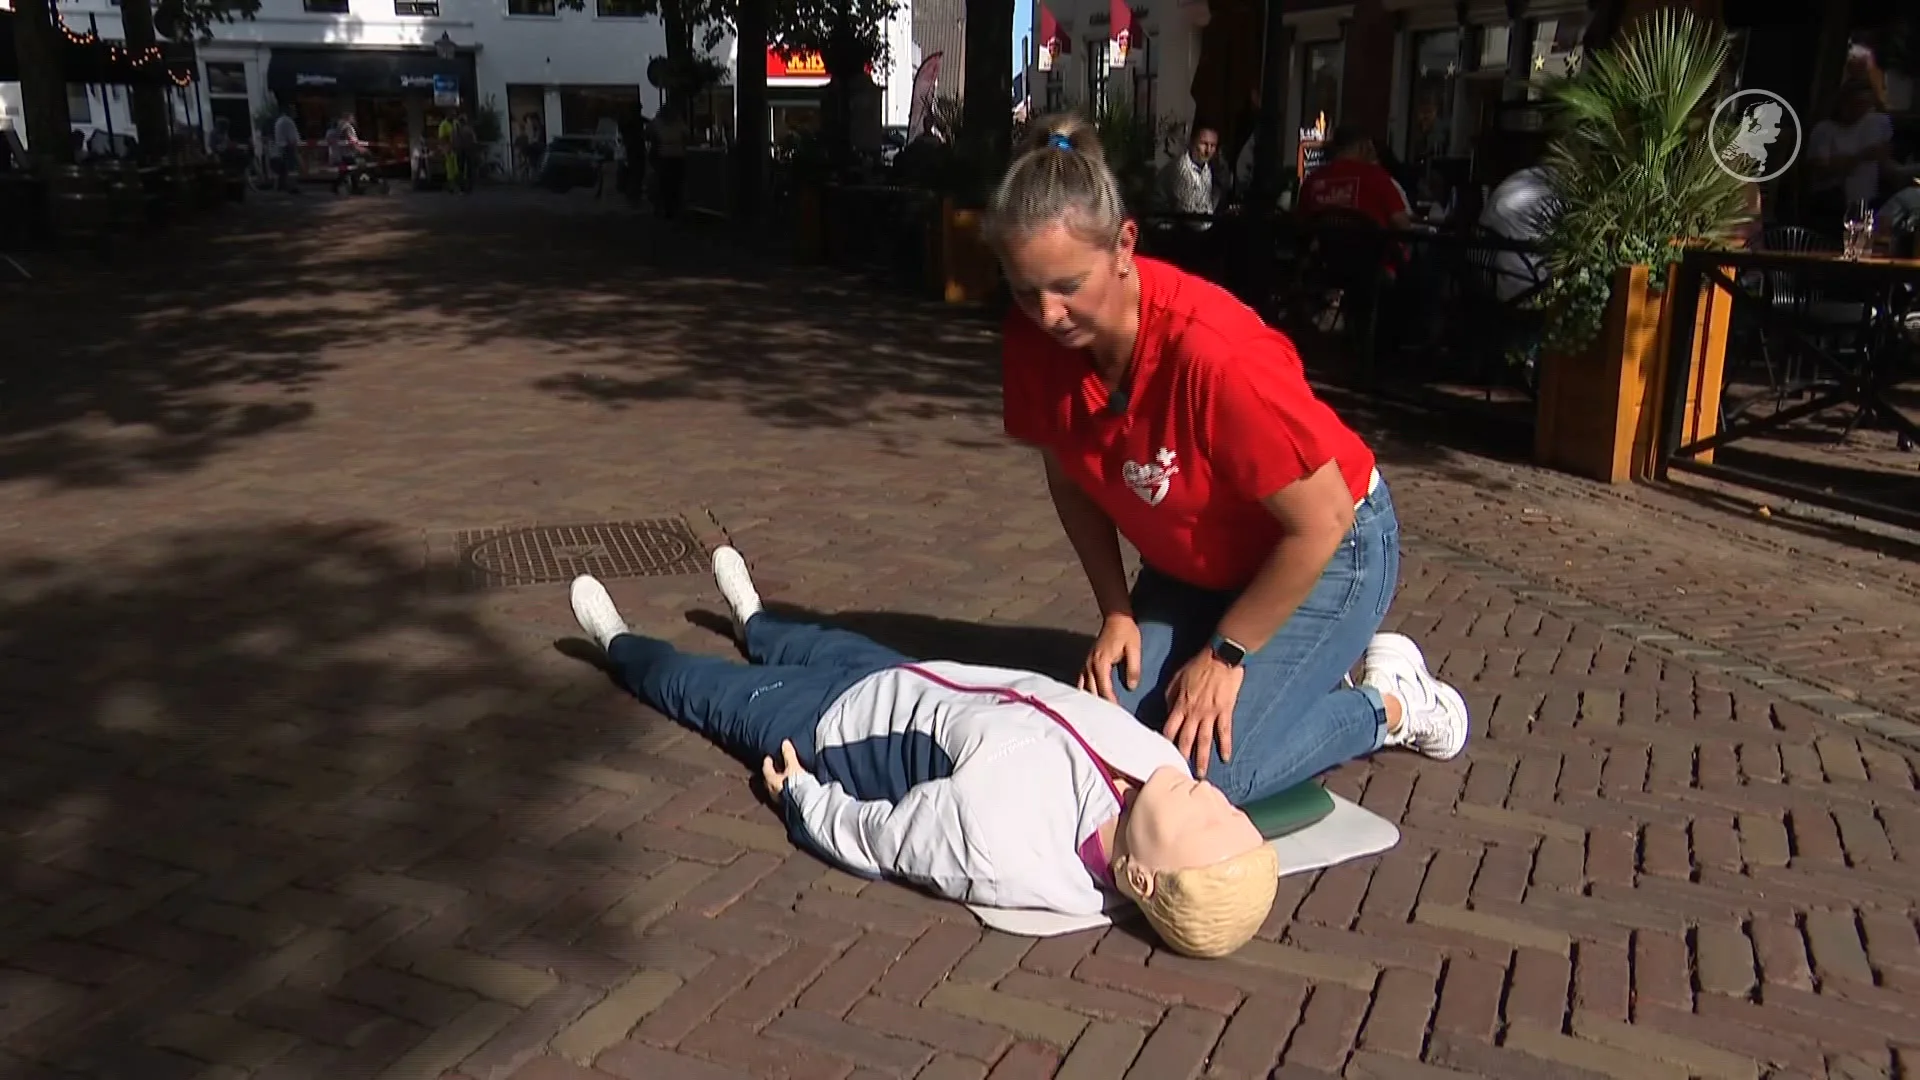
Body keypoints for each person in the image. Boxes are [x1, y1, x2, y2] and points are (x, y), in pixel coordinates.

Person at [989, 114, 1469, 812]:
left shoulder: (1212, 354)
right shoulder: (1032, 341)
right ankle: (1296, 673)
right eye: (1025, 291)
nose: (1049, 315)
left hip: (1331, 546)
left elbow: (1323, 519)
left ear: (1124, 244)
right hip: (1198, 570)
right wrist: (1115, 612)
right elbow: (1068, 474)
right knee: (1103, 744)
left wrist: (1226, 656)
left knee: (1209, 775)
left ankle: (1389, 704)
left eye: (1067, 285)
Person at [567, 548, 1305, 959]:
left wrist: (804, 800)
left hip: (837, 732)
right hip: (917, 679)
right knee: (801, 639)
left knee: (705, 691)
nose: (1211, 797)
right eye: (1228, 812)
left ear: (1141, 875)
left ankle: (625, 648)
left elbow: (889, 841)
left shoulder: (1008, 850)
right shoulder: (1161, 778)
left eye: (1205, 827)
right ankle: (755, 620)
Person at [1807, 79, 1895, 226]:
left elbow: (1886, 164)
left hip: (1867, 202)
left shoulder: (1875, 125)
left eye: (1866, 104)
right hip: (1831, 204)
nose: (1861, 109)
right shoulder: (1824, 130)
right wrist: (1860, 157)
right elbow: (1819, 172)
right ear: (1843, 103)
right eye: (1857, 103)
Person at [1298, 125, 1414, 233]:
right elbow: (1401, 224)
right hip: (1371, 253)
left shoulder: (1312, 180)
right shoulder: (1377, 177)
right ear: (1362, 147)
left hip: (1324, 253)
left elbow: (1301, 223)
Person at [1154, 125, 1228, 228]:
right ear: (1192, 143)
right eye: (1204, 144)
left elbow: (1206, 207)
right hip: (1167, 230)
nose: (1208, 150)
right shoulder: (1180, 169)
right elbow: (1192, 219)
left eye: (1213, 146)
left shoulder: (1207, 169)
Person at [272, 105, 302, 194]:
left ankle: (281, 186)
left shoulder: (279, 120)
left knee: (283, 168)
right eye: (293, 111)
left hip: (281, 147)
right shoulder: (288, 122)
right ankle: (292, 187)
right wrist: (295, 148)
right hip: (288, 147)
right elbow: (291, 137)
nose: (295, 113)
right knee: (291, 168)